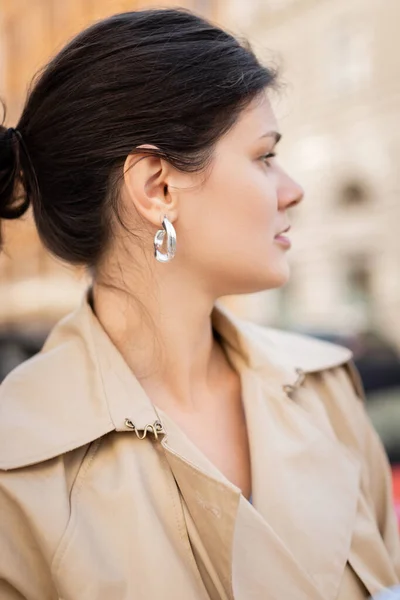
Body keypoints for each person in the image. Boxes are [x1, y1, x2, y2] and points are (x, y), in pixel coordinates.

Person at [0, 9, 398, 600]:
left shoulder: (327, 391)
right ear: (158, 186)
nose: (293, 189)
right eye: (264, 156)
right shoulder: (16, 467)